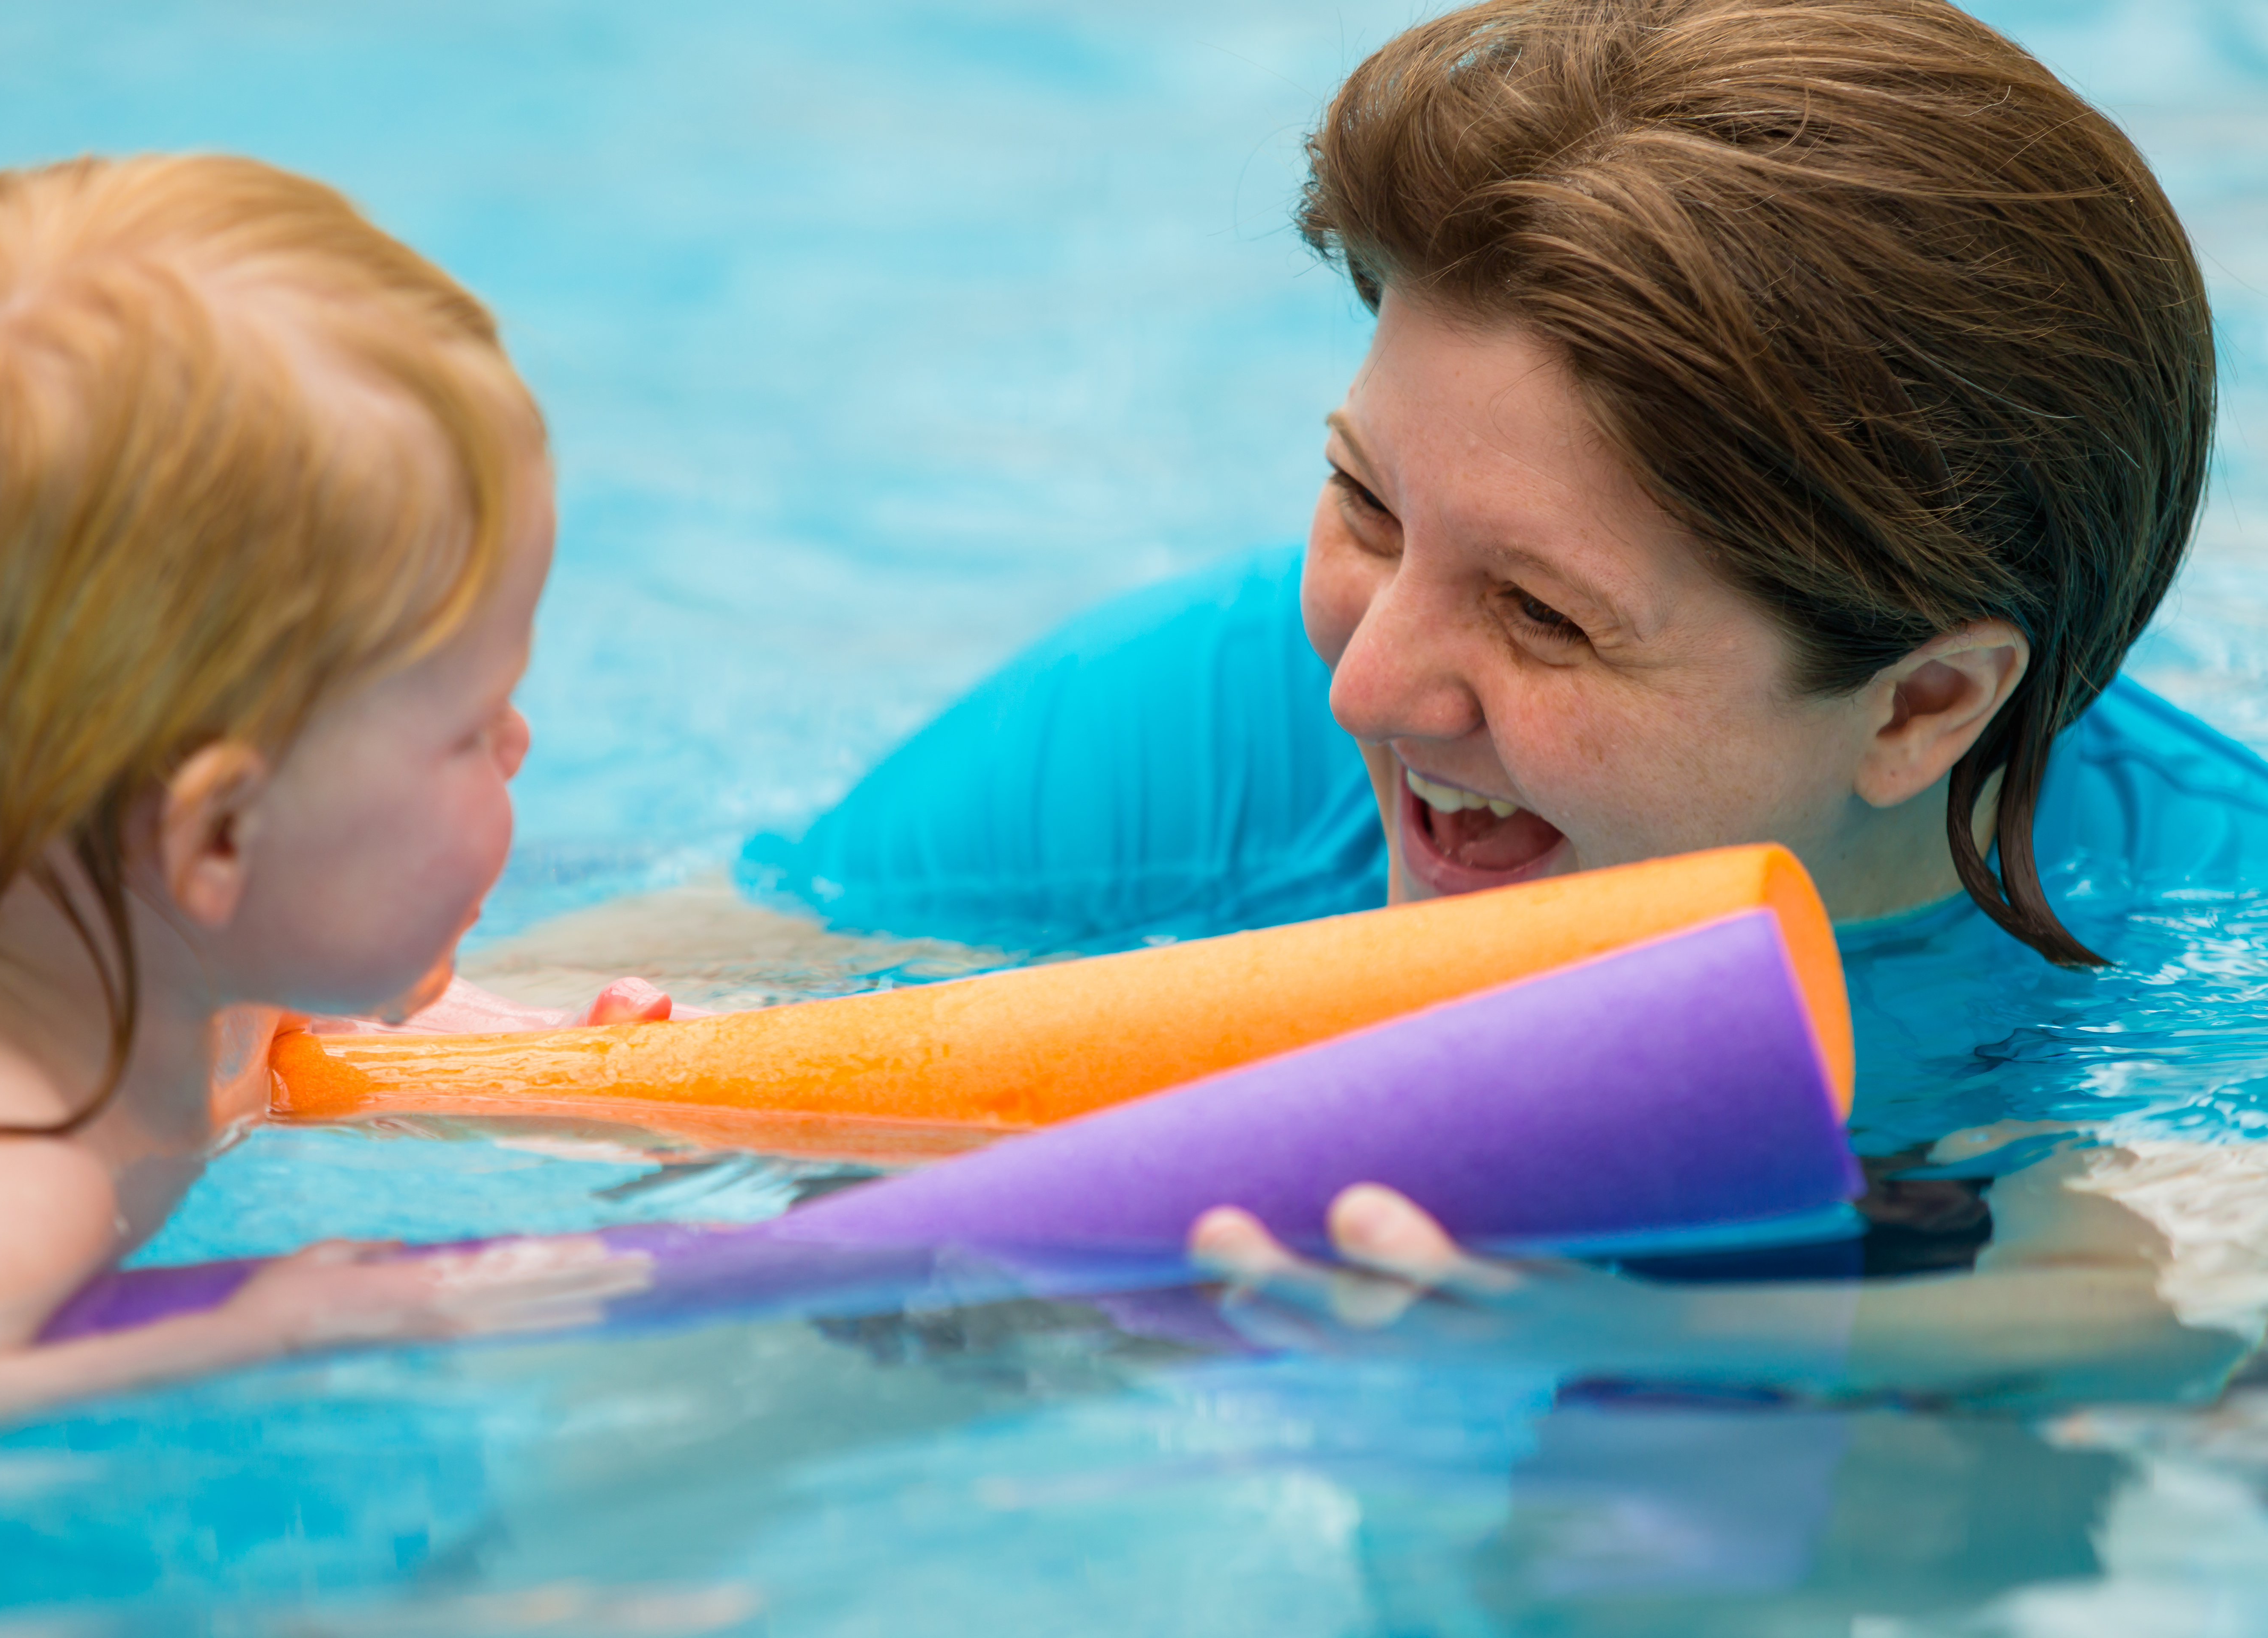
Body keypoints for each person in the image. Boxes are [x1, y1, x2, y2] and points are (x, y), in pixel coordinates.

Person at [745, 0, 2268, 1402]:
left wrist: (1625, 1337)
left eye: (1543, 614)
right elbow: (618, 1038)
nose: (1366, 684)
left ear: (1920, 708)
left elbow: (2192, 1309)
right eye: (1365, 504)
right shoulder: (1202, 731)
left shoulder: (2209, 943)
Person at [0, 155, 662, 1427]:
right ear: (217, 834)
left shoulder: (140, 933)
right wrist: (249, 1331)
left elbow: (299, 1020)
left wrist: (545, 1068)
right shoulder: (4, 1175)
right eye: (473, 725)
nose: (522, 743)